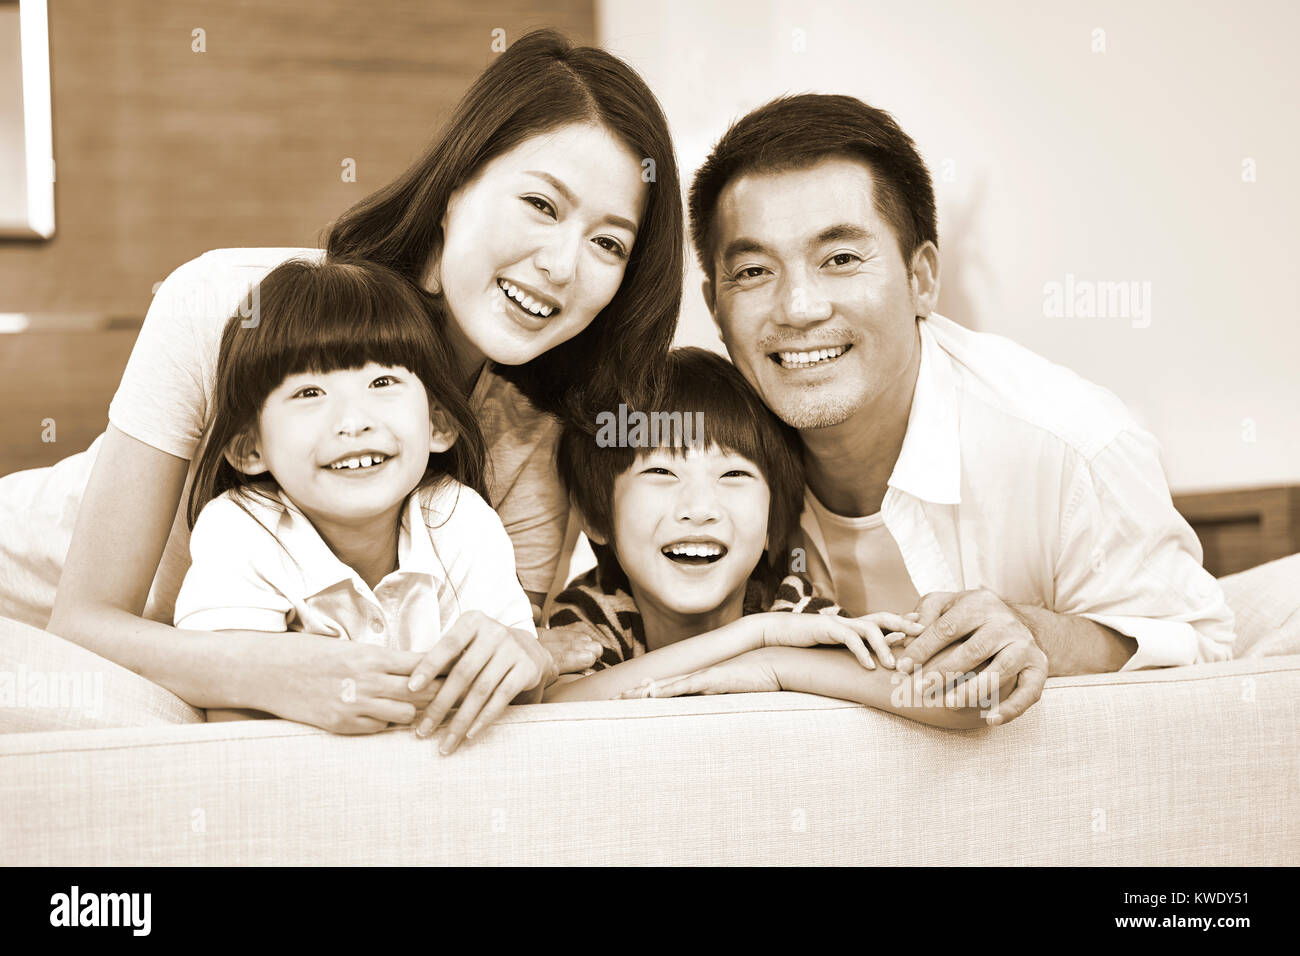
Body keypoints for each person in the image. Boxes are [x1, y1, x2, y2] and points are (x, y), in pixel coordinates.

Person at [0, 29, 683, 744]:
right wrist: (272, 669)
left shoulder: (536, 433)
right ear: (455, 189)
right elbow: (82, 621)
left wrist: (526, 656)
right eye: (541, 205)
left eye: (608, 242)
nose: (563, 265)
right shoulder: (229, 304)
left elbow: (489, 660)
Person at [664, 93, 1235, 724]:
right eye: (753, 271)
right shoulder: (695, 453)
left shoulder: (1071, 445)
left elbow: (1202, 652)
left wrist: (1033, 632)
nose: (798, 308)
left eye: (841, 259)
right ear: (716, 307)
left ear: (922, 279)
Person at [173, 259, 536, 741]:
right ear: (249, 448)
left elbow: (515, 688)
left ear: (440, 423)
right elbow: (233, 718)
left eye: (382, 383)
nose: (354, 420)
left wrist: (522, 656)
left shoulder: (458, 517)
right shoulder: (240, 528)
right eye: (309, 392)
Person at [535, 348, 983, 728]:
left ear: (772, 524)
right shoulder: (594, 614)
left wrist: (775, 663)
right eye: (660, 472)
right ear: (596, 517)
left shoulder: (792, 607)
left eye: (733, 474)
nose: (700, 509)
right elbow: (551, 714)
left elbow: (964, 702)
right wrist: (755, 635)